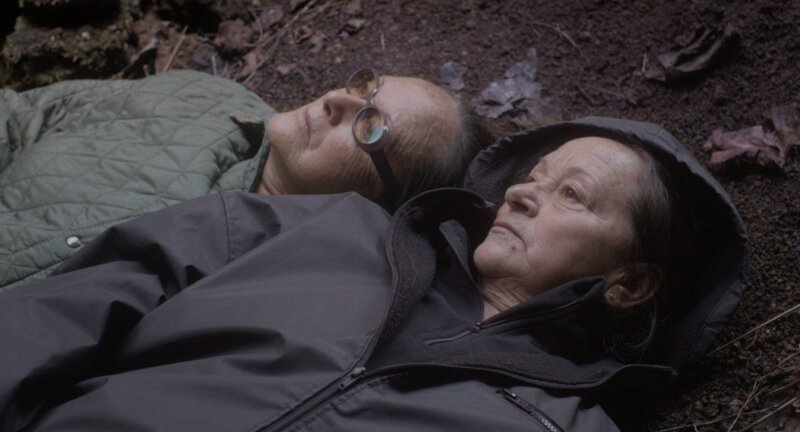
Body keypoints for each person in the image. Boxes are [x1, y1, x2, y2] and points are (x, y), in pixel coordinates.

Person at [0, 117, 747, 431]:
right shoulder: (331, 227)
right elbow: (87, 297)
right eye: (532, 177)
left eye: (572, 195)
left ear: (629, 285)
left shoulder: (562, 427)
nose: (523, 194)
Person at [0, 68, 489, 290]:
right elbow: (23, 117)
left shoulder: (264, 291)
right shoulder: (201, 94)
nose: (337, 99)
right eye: (365, 86)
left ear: (382, 201)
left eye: (370, 126)